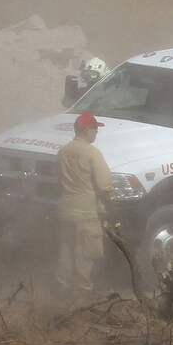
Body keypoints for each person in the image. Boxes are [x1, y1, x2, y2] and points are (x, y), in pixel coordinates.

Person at [56, 112, 113, 301]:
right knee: (85, 255)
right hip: (86, 213)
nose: (96, 133)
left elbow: (58, 181)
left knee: (65, 250)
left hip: (65, 210)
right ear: (87, 130)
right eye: (95, 129)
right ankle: (82, 295)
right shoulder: (92, 153)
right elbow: (104, 184)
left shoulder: (63, 151)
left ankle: (61, 289)